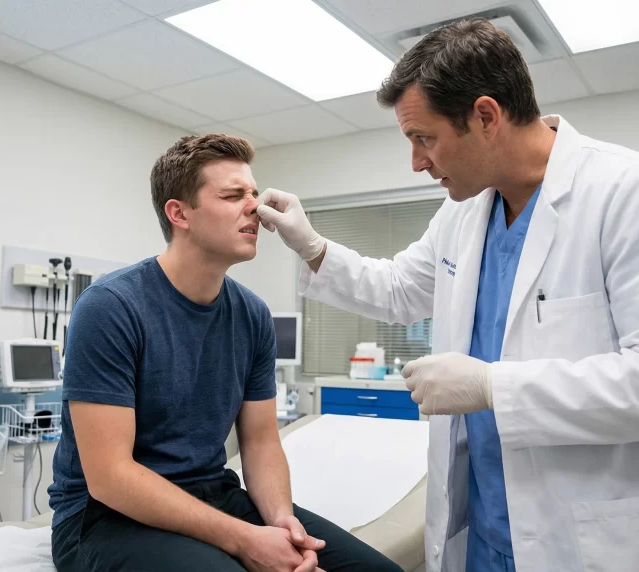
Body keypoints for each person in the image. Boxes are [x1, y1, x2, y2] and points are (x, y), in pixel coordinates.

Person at [256, 18, 639, 572]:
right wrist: (311, 247)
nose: (416, 162)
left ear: (485, 116)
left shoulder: (631, 194)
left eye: (423, 138)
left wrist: (490, 386)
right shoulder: (463, 212)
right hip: (481, 530)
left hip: (592, 543)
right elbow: (400, 288)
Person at [48, 133, 403, 572]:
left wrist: (281, 524)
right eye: (234, 195)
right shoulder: (110, 308)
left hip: (213, 492)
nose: (254, 207)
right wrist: (245, 541)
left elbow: (260, 441)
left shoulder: (252, 315)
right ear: (180, 214)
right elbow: (110, 477)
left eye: (253, 194)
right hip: (106, 518)